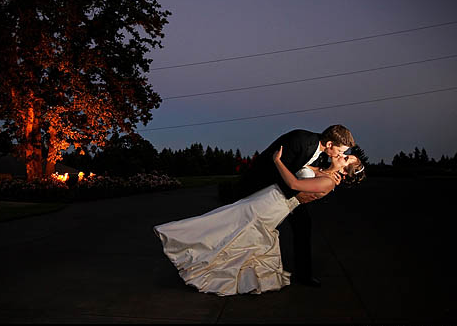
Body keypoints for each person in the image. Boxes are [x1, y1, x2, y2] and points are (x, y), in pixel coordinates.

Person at [153, 149, 365, 296]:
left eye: (346, 159)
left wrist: (277, 160)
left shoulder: (327, 181)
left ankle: (186, 245)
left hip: (274, 205)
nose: (342, 155)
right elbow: (305, 167)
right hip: (269, 197)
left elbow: (293, 182)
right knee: (231, 221)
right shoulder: (325, 173)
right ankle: (194, 250)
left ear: (345, 173)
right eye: (345, 154)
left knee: (230, 222)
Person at [238, 125, 356, 287]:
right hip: (266, 187)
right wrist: (297, 193)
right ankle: (241, 265)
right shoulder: (299, 140)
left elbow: (311, 171)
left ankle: (304, 275)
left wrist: (328, 174)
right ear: (329, 144)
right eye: (341, 151)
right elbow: (276, 170)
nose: (341, 155)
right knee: (251, 228)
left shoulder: (324, 156)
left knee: (303, 226)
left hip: (290, 195)